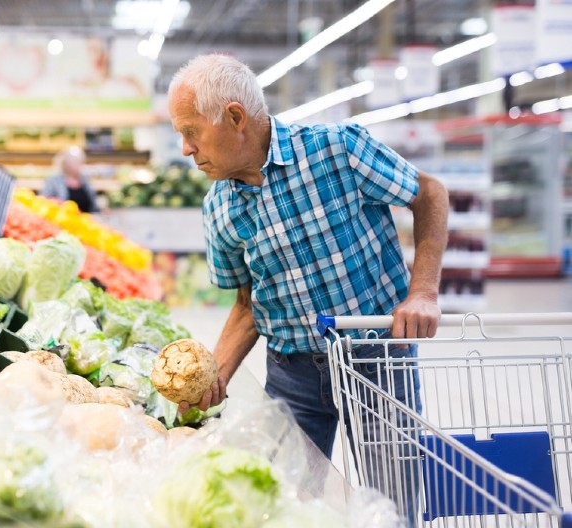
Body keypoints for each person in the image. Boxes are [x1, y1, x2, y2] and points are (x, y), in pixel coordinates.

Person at [167, 53, 448, 519]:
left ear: (235, 117)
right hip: (292, 374)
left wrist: (423, 292)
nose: (185, 148)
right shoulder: (218, 207)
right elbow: (247, 304)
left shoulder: (338, 149)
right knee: (286, 509)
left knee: (393, 504)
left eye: (191, 131)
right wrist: (214, 375)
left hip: (375, 362)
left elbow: (429, 194)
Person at [41, 145, 100, 213]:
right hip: (63, 221)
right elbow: (44, 202)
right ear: (65, 163)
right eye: (75, 162)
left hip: (86, 221)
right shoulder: (53, 180)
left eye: (80, 162)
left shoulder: (85, 179)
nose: (79, 165)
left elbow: (94, 204)